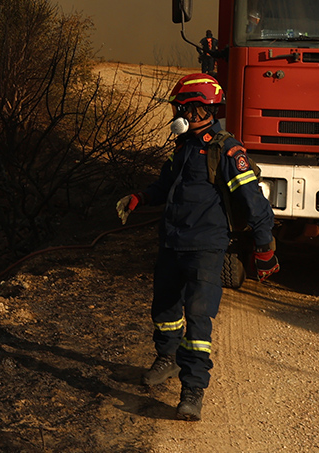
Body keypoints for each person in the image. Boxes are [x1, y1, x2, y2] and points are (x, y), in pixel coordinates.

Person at [114, 73, 278, 421]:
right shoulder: (183, 147)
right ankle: (168, 358)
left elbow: (254, 201)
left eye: (180, 107)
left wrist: (265, 249)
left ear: (196, 109)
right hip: (172, 242)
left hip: (206, 246)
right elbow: (165, 186)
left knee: (199, 319)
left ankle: (192, 389)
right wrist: (138, 198)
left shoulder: (227, 150)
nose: (176, 113)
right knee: (165, 307)